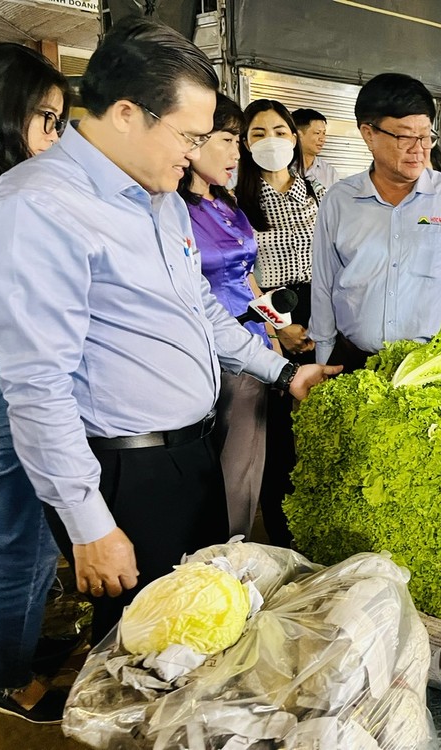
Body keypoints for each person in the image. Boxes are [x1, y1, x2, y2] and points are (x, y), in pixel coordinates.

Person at [0, 17, 341, 651]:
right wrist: (89, 522)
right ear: (125, 113)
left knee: (200, 637)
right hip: (124, 469)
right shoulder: (38, 204)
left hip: (188, 455)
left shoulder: (161, 197)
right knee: (146, 655)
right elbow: (37, 383)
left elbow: (201, 311)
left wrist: (285, 372)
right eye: (190, 135)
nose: (196, 152)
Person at [0, 42, 71, 725]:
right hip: (4, 363)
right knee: (23, 526)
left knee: (26, 522)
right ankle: (6, 677)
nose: (58, 136)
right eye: (47, 119)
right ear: (3, 114)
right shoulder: (0, 192)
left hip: (2, 359)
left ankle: (7, 643)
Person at [309, 72, 441, 372]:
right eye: (405, 136)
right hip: (357, 362)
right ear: (369, 133)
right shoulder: (339, 201)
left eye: (425, 136)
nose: (419, 148)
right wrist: (322, 356)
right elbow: (324, 283)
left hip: (434, 367)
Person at [178, 92, 274, 540]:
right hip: (201, 352)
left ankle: (231, 561)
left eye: (239, 140)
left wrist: (273, 330)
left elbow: (247, 279)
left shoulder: (230, 205)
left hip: (249, 344)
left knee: (243, 468)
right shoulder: (173, 211)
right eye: (227, 137)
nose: (237, 151)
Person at [235, 99, 325, 548]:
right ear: (244, 143)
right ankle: (280, 529)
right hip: (268, 314)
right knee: (276, 431)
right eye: (258, 133)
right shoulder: (237, 200)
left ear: (294, 137)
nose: (271, 141)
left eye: (279, 131)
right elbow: (241, 277)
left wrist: (324, 322)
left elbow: (331, 260)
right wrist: (277, 328)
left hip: (318, 310)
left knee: (320, 418)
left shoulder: (316, 193)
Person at [292, 107, 338, 189]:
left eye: (324, 133)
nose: (323, 139)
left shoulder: (329, 173)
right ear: (299, 135)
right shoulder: (283, 168)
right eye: (317, 133)